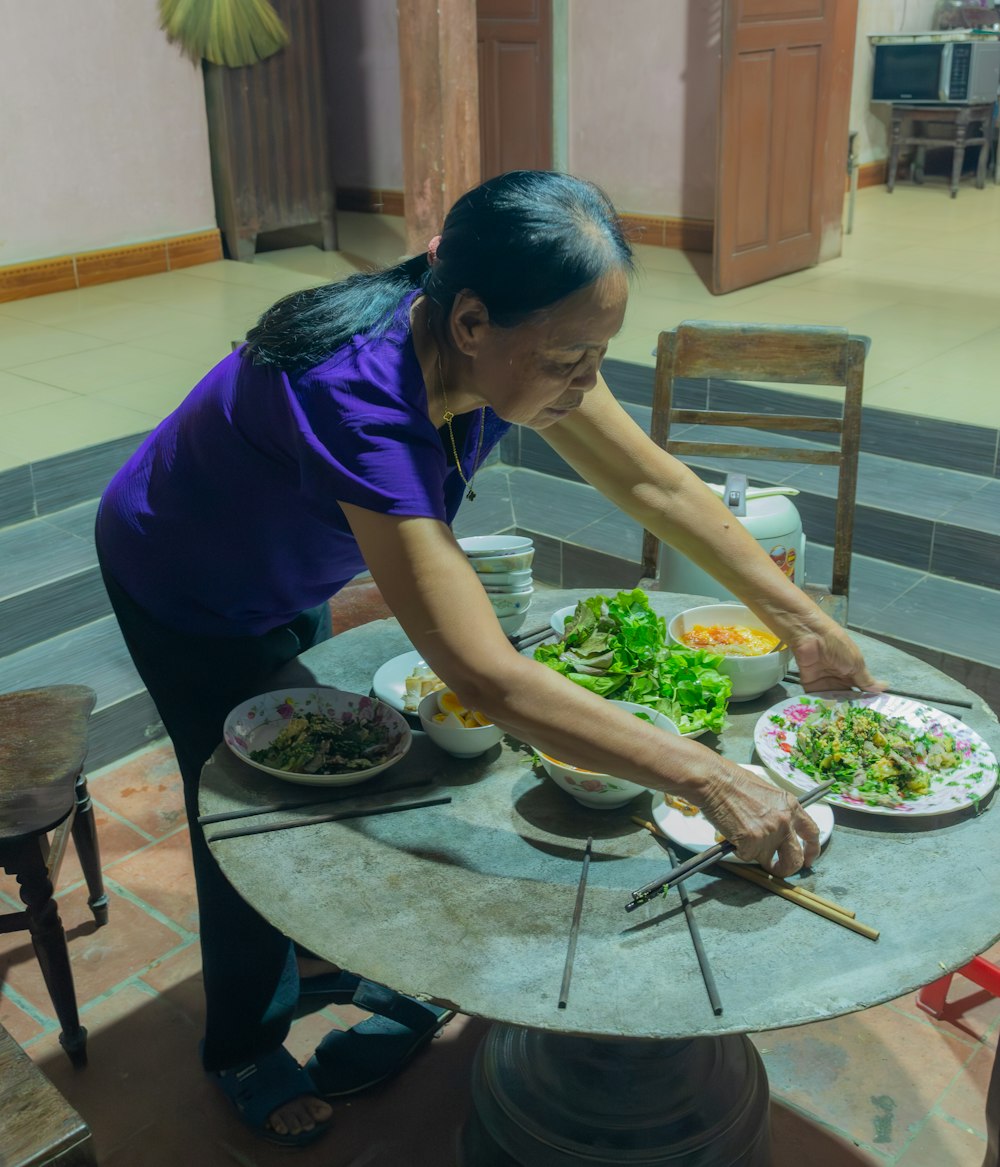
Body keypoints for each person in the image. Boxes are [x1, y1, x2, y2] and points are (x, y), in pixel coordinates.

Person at [95, 170, 882, 1147]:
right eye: (569, 360)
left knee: (312, 770)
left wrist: (800, 617)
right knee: (252, 810)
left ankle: (321, 959)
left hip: (284, 564)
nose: (586, 383)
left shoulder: (502, 337)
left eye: (597, 354)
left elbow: (657, 485)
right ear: (470, 321)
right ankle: (243, 1045)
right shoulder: (359, 394)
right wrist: (711, 777)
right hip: (183, 580)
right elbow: (485, 677)